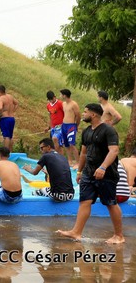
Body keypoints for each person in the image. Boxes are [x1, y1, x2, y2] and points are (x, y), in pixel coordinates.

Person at [57, 103, 124, 244]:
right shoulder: (86, 131)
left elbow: (114, 151)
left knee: (110, 203)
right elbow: (83, 153)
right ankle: (76, 232)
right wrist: (79, 171)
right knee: (85, 201)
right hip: (88, 173)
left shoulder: (108, 130)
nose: (83, 114)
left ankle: (119, 235)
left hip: (107, 173)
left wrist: (103, 167)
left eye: (85, 111)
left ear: (93, 114)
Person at [60, 89, 80, 167]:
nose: (60, 96)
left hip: (71, 126)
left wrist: (76, 125)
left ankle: (78, 162)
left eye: (61, 94)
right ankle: (70, 161)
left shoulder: (74, 104)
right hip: (64, 125)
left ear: (64, 95)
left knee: (72, 144)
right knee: (66, 144)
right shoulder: (64, 104)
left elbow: (78, 116)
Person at [0, 85, 19, 150]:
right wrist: (13, 111)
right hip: (11, 118)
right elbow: (17, 103)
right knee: (10, 136)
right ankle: (10, 151)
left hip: (5, 118)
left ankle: (5, 152)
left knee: (6, 136)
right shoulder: (10, 96)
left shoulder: (0, 99)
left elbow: (0, 108)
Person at [45, 91, 64, 155]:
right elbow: (50, 117)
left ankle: (58, 156)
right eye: (50, 100)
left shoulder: (60, 103)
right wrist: (49, 127)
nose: (52, 101)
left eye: (52, 99)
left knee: (57, 141)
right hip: (53, 127)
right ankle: (58, 157)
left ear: (55, 97)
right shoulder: (48, 106)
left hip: (60, 126)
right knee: (53, 144)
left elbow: (66, 113)